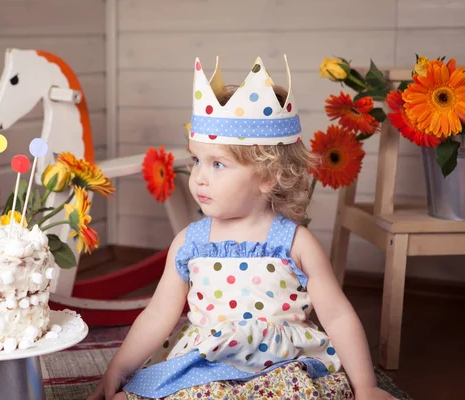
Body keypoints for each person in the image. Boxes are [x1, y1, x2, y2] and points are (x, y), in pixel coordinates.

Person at [89, 56, 396, 400]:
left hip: (280, 366)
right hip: (207, 365)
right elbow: (159, 313)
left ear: (268, 176)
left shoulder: (294, 242)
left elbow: (337, 316)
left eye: (218, 164)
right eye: (196, 161)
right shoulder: (190, 242)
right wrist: (119, 366)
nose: (199, 177)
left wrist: (366, 386)